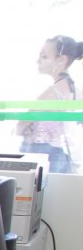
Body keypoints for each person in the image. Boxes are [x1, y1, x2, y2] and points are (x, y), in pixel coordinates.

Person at [17, 34, 80, 173]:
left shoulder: (53, 93)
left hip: (45, 155)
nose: (37, 61)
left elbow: (21, 125)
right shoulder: (73, 88)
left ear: (62, 60)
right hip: (61, 155)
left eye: (44, 56)